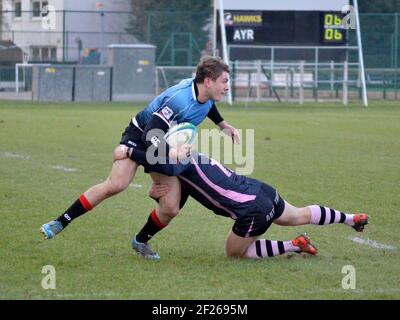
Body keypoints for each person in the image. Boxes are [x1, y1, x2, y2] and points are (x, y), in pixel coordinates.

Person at [40, 56, 240, 255]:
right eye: (224, 81)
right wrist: (171, 152)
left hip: (163, 143)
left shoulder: (205, 96)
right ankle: (60, 221)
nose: (227, 87)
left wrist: (223, 126)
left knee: (171, 208)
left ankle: (140, 240)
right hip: (140, 135)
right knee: (116, 184)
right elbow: (150, 134)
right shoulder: (179, 99)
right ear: (207, 81)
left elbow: (208, 107)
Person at [114, 146, 370, 260]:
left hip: (251, 210)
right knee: (300, 214)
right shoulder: (191, 155)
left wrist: (129, 153)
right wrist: (158, 193)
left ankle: (294, 245)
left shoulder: (175, 163)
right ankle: (350, 218)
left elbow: (160, 168)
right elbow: (183, 193)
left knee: (235, 253)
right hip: (262, 190)